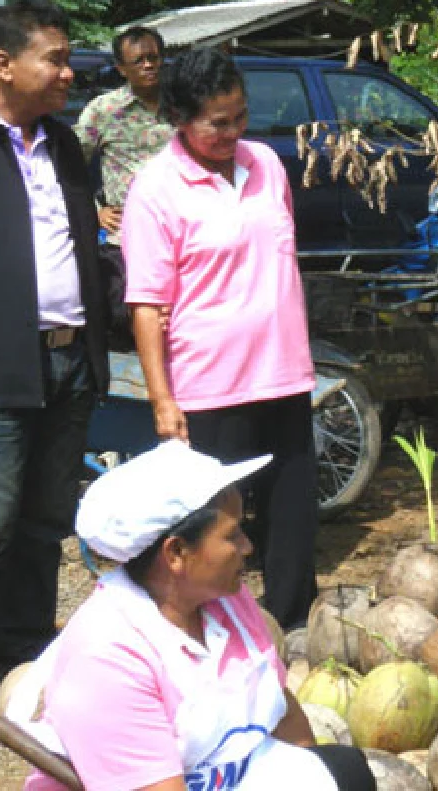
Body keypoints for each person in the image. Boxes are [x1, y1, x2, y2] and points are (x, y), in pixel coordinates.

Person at [14, 441, 376, 790]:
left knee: (344, 770)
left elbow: (279, 705)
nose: (248, 547)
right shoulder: (108, 659)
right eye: (232, 535)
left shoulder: (225, 600)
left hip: (231, 774)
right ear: (176, 554)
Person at [121, 48, 318, 629]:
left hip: (283, 371)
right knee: (215, 528)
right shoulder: (155, 189)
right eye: (218, 122)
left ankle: (292, 627)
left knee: (292, 518)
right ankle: (210, 632)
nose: (234, 132)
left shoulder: (266, 166)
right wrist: (163, 401)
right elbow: (147, 305)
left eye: (240, 116)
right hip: (210, 387)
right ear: (180, 118)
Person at [0, 0, 110, 751]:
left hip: (69, 361)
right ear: (3, 63)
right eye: (54, 57)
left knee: (44, 524)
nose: (67, 70)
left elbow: (85, 246)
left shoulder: (63, 143)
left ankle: (21, 666)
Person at [74, 26, 173, 349]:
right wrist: (94, 211)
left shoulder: (183, 106)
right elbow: (67, 168)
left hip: (180, 236)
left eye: (154, 58)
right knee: (129, 323)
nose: (148, 66)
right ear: (121, 68)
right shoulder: (104, 111)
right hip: (126, 240)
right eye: (139, 60)